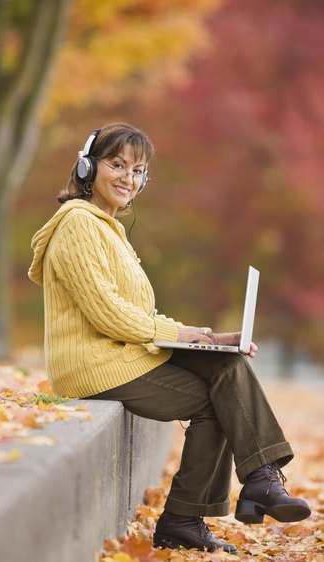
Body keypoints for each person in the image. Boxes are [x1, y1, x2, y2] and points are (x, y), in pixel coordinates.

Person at [28, 122, 310, 554]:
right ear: (87, 167)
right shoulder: (78, 226)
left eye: (138, 170)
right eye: (117, 164)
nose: (129, 178)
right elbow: (108, 314)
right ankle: (199, 511)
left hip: (121, 355)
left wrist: (211, 338)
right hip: (95, 365)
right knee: (219, 399)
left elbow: (138, 314)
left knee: (227, 362)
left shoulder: (109, 230)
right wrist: (177, 333)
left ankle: (258, 481)